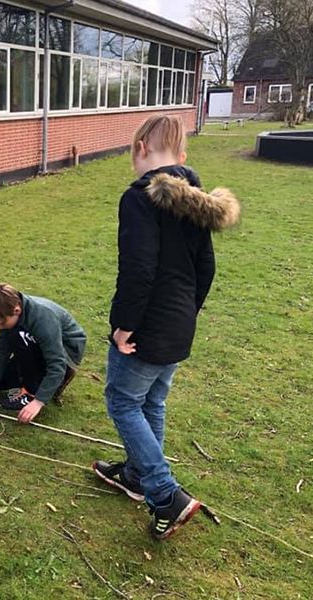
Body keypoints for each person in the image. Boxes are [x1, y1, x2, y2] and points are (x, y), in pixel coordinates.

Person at [93, 116, 240, 540]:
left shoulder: (139, 198)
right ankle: (138, 475)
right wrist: (188, 313)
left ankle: (164, 494)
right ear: (181, 157)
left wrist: (123, 326)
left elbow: (138, 270)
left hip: (148, 327)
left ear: (140, 147)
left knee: (122, 402)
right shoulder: (194, 201)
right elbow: (205, 269)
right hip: (179, 324)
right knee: (152, 403)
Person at [0, 284, 86, 424]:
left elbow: (56, 364)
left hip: (66, 351)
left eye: (1, 323)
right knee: (4, 381)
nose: (0, 327)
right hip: (35, 343)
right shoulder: (10, 313)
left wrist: (38, 401)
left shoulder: (43, 320)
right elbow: (2, 349)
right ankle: (31, 381)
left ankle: (31, 392)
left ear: (17, 310)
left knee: (17, 337)